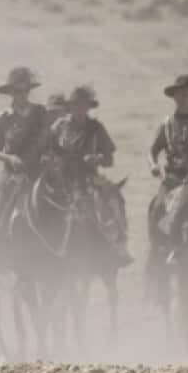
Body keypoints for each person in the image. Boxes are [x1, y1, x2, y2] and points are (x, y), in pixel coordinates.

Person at [49, 86, 129, 265]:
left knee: (112, 204)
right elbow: (47, 150)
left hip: (88, 179)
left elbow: (109, 159)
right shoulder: (59, 126)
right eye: (76, 105)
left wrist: (97, 158)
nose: (79, 108)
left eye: (83, 105)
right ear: (71, 106)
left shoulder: (96, 128)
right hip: (62, 178)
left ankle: (117, 248)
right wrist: (54, 160)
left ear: (88, 107)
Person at [0, 67, 49, 239]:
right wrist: (10, 157)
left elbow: (47, 139)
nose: (22, 94)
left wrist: (46, 154)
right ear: (11, 92)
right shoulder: (3, 118)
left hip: (39, 170)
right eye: (17, 90)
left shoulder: (40, 112)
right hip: (12, 172)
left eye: (25, 90)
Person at [147, 74, 188, 268]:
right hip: (172, 178)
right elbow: (153, 150)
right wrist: (153, 165)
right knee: (157, 209)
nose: (182, 98)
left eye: (186, 94)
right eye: (179, 95)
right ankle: (161, 247)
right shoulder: (167, 123)